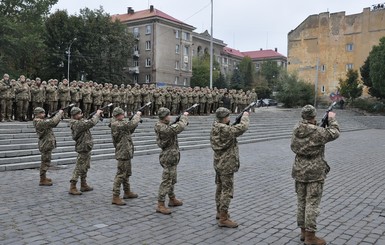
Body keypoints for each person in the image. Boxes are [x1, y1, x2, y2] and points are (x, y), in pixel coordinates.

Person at [291, 105, 340, 245]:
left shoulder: (296, 129)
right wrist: (332, 119)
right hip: (314, 172)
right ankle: (310, 237)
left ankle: (303, 232)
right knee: (312, 203)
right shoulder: (318, 132)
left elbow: (294, 146)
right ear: (313, 116)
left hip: (299, 170)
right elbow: (335, 132)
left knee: (301, 201)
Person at [210, 107, 249, 228]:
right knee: (227, 190)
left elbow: (229, 130)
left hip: (218, 162)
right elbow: (242, 127)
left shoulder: (215, 126)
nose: (229, 118)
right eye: (228, 116)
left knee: (220, 188)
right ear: (224, 118)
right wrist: (245, 116)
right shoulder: (225, 129)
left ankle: (219, 211)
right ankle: (223, 217)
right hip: (227, 164)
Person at [154, 107, 189, 215]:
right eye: (168, 115)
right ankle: (160, 204)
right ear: (164, 117)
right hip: (168, 156)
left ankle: (172, 198)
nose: (170, 117)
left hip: (172, 155)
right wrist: (184, 117)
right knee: (167, 180)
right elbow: (179, 127)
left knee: (172, 178)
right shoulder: (161, 127)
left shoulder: (164, 125)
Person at [109, 107, 142, 205]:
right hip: (122, 152)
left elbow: (129, 130)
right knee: (120, 174)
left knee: (126, 173)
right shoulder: (116, 124)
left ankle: (127, 192)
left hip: (126, 151)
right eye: (122, 115)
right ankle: (115, 196)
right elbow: (131, 124)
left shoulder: (120, 124)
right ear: (118, 115)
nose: (124, 116)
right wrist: (137, 115)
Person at [68, 107, 103, 195]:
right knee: (79, 167)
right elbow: (91, 123)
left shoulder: (80, 121)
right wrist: (97, 114)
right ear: (75, 115)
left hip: (86, 146)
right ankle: (73, 186)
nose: (81, 115)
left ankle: (83, 184)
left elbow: (87, 122)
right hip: (82, 147)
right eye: (79, 114)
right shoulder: (76, 123)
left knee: (85, 166)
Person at [33, 107, 64, 186]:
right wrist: (59, 113)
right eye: (42, 113)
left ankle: (44, 177)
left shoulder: (42, 121)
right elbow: (53, 122)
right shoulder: (38, 122)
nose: (44, 114)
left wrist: (57, 116)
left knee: (46, 161)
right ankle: (42, 179)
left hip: (47, 143)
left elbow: (53, 123)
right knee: (45, 161)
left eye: (44, 112)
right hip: (45, 144)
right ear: (37, 114)